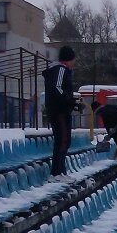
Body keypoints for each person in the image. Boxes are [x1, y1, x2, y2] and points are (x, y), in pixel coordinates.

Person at [42, 45, 78, 180]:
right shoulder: (60, 70)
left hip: (60, 109)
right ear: (67, 59)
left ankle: (61, 171)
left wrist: (73, 103)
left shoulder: (61, 70)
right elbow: (57, 88)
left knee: (64, 141)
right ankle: (56, 173)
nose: (73, 63)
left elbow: (61, 91)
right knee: (62, 141)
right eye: (72, 60)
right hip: (59, 111)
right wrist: (70, 100)